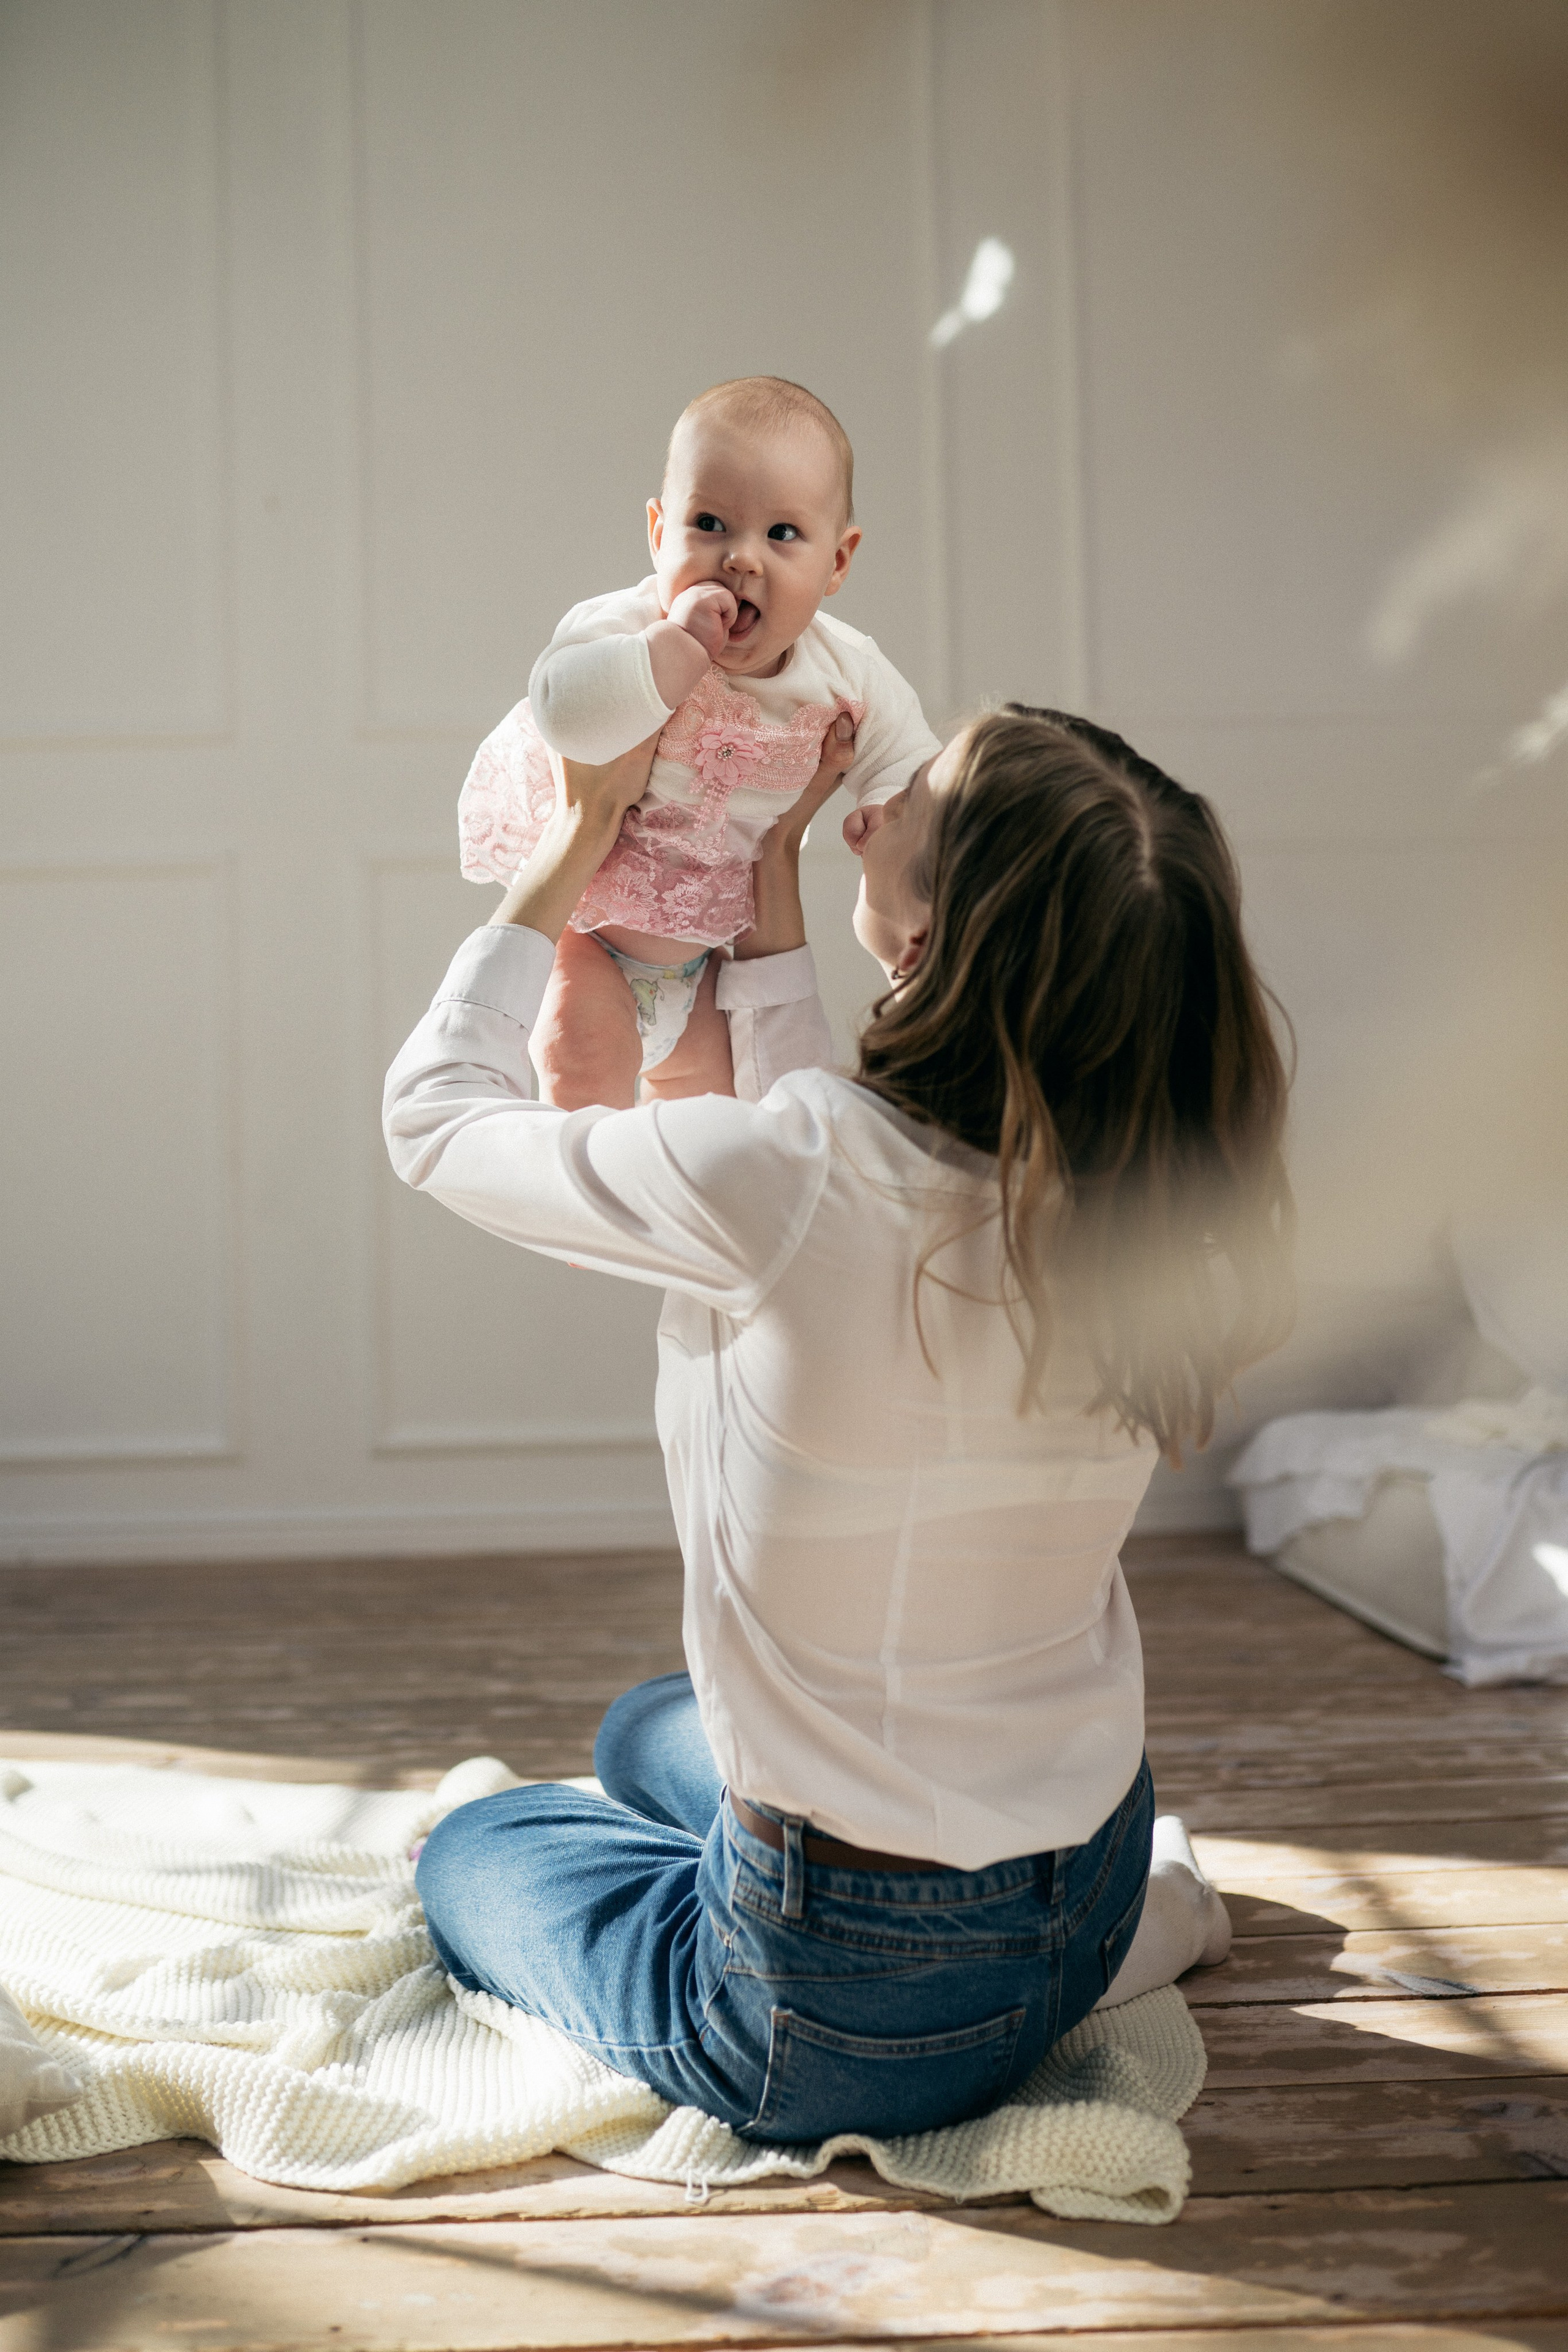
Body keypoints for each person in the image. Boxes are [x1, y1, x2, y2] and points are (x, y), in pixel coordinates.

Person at [385, 703, 1294, 2145]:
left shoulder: (799, 1177)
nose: (863, 812)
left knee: (475, 1846)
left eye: (904, 811)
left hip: (833, 2002)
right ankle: (1127, 1937)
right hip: (1088, 1862)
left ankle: (937, 2008)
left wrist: (566, 845)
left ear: (939, 945)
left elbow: (435, 1119)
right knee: (642, 1730)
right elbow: (837, 1141)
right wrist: (778, 862)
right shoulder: (1149, 1218)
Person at [457, 376, 937, 1109]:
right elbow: (560, 708)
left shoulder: (846, 670)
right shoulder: (627, 625)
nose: (741, 559)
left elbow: (911, 760)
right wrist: (670, 651)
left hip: (707, 959)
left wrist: (889, 803)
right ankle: (596, 1202)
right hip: (589, 934)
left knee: (719, 1120)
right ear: (658, 533)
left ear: (837, 562)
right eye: (709, 524)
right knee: (582, 1066)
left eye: (782, 534)